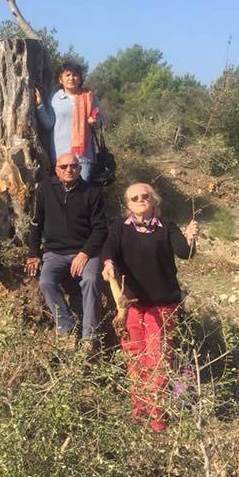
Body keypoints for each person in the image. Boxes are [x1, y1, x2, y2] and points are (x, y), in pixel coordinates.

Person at [101, 182, 199, 432]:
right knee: (135, 358)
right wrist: (108, 263)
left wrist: (190, 238)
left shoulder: (167, 227)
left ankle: (157, 415)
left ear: (154, 200)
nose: (140, 200)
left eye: (145, 196)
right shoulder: (120, 227)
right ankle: (139, 410)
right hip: (131, 305)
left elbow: (185, 253)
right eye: (134, 198)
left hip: (162, 305)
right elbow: (109, 248)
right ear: (128, 204)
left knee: (157, 359)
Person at [25, 152, 108, 348]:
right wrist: (33, 253)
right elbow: (36, 223)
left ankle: (89, 337)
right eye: (64, 167)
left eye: (73, 166)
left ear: (80, 168)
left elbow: (100, 229)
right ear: (56, 170)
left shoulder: (92, 192)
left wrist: (85, 253)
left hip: (86, 252)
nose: (69, 170)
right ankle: (66, 327)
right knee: (46, 282)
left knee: (90, 281)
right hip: (55, 252)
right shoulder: (45, 188)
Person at [35, 60, 104, 182]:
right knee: (62, 191)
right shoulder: (54, 98)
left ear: (80, 78)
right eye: (67, 75)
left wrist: (95, 121)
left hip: (84, 157)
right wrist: (40, 105)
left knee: (82, 190)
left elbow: (101, 121)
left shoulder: (89, 97)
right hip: (61, 156)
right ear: (60, 79)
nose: (71, 78)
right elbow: (48, 124)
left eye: (75, 75)